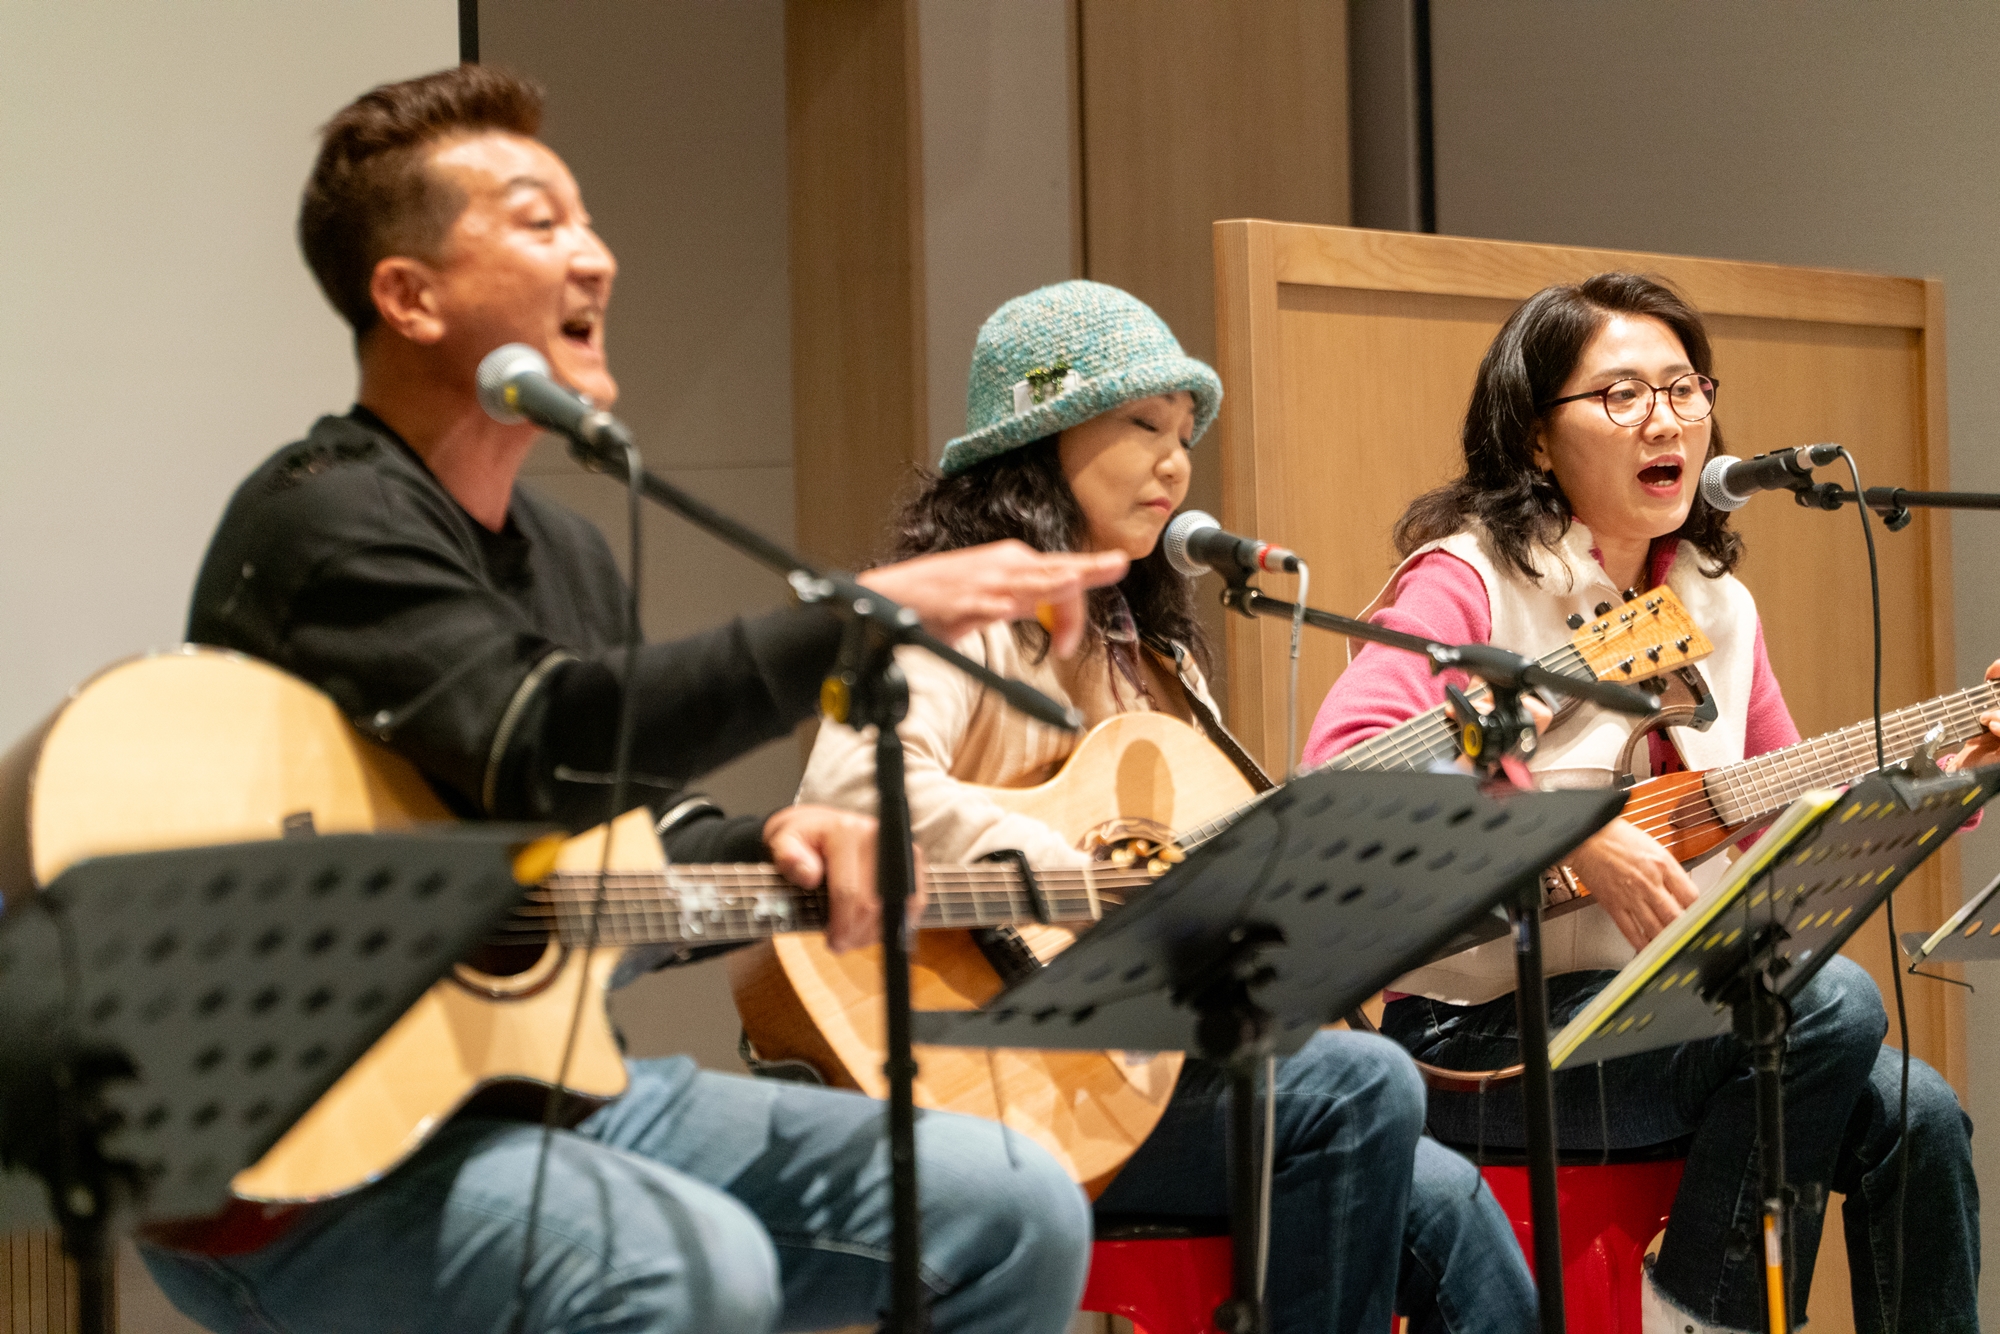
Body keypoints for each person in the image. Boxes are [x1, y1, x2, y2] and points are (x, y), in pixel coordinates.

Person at [141, 65, 1132, 1334]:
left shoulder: (568, 554)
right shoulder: (322, 518)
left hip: (540, 1088)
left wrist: (768, 841)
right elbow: (538, 741)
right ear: (408, 295)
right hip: (304, 1167)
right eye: (538, 222)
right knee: (686, 1263)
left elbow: (620, 830)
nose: (596, 258)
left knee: (1010, 1200)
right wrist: (863, 615)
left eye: (588, 219)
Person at [798, 280, 1538, 1334]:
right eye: (1141, 423)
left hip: (1148, 1062)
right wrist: (1058, 864)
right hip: (998, 1066)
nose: (1175, 461)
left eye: (1183, 434)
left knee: (1451, 1201)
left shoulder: (1158, 661)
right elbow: (848, 790)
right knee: (1362, 1083)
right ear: (1036, 439)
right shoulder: (955, 615)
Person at [1302, 272, 1990, 1334]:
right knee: (1829, 1003)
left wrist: (1953, 765)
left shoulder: (1714, 602)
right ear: (1535, 438)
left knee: (1918, 1112)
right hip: (1481, 1037)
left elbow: (1784, 806)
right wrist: (1576, 828)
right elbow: (1349, 770)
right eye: (1620, 395)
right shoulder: (1466, 582)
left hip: (1661, 1019)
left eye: (1682, 386)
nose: (1664, 416)